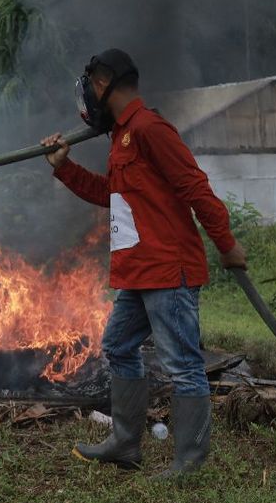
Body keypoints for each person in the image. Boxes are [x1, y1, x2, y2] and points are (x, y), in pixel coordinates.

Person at [40, 48, 247, 477]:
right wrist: (65, 168)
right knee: (118, 347)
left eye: (90, 88)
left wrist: (226, 245)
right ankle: (126, 442)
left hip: (167, 270)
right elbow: (110, 195)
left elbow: (196, 189)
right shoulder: (121, 137)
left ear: (101, 84)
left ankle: (189, 462)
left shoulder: (151, 129)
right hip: (137, 272)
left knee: (183, 366)